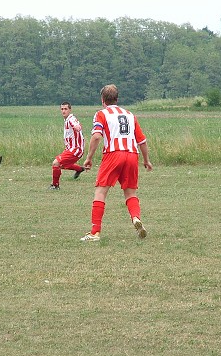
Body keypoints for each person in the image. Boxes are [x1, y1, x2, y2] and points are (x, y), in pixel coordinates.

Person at [80, 84, 153, 242]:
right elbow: (142, 141)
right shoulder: (129, 114)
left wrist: (89, 158)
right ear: (117, 99)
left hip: (113, 154)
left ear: (102, 100)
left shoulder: (101, 114)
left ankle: (95, 232)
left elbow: (97, 136)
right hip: (132, 155)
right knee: (130, 192)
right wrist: (146, 160)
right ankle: (135, 218)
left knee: (100, 192)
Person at [49, 102, 85, 190]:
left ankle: (55, 185)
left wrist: (77, 127)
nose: (63, 111)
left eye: (65, 109)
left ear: (70, 110)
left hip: (75, 149)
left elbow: (76, 125)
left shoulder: (70, 119)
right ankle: (80, 169)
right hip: (70, 148)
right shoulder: (67, 120)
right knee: (61, 165)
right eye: (62, 109)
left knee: (56, 163)